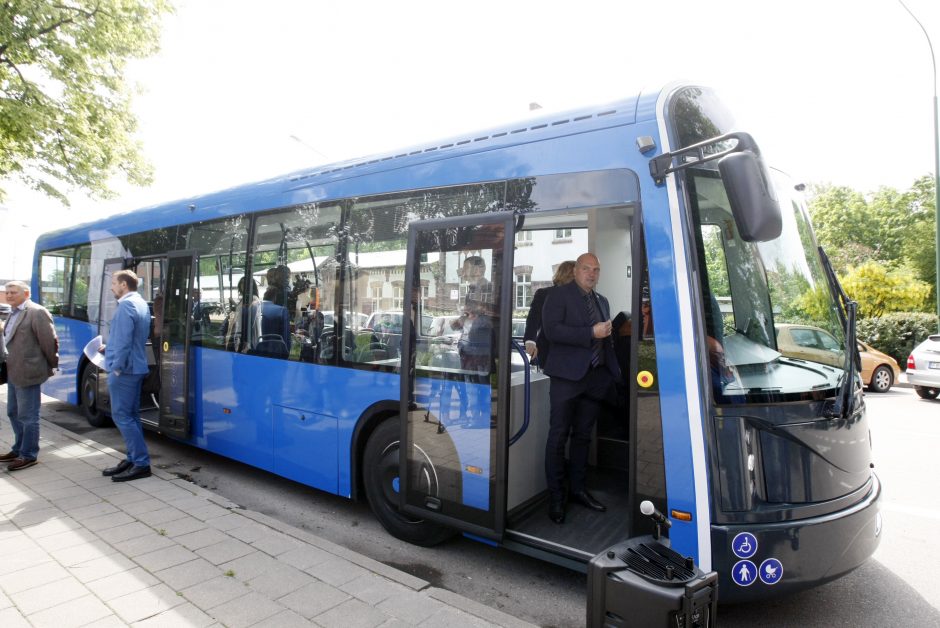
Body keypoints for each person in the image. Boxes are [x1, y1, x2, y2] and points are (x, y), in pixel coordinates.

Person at [541, 253, 621, 524]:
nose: (592, 274)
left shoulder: (602, 301)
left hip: (596, 378)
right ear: (575, 270)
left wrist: (613, 372)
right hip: (566, 378)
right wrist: (591, 333)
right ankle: (556, 498)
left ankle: (578, 490)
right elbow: (552, 332)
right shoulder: (559, 296)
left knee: (583, 437)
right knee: (558, 436)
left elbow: (605, 338)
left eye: (596, 269)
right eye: (586, 268)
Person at [98, 270, 153, 482]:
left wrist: (115, 367)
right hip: (136, 366)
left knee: (121, 416)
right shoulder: (140, 303)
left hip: (125, 370)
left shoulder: (126, 305)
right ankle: (132, 458)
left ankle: (140, 462)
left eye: (113, 283)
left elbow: (123, 342)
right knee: (131, 416)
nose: (112, 287)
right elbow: (128, 338)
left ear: (123, 284)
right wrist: (108, 347)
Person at [1, 281, 59, 471]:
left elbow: (49, 342)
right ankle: (18, 449)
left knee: (28, 416)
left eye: (13, 292)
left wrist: (51, 364)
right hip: (13, 370)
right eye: (7, 292)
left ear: (26, 293)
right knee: (13, 412)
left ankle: (29, 454)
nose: (9, 295)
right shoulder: (13, 312)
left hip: (29, 371)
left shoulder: (36, 312)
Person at [523, 260, 576, 367]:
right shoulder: (544, 294)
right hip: (549, 353)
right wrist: (530, 341)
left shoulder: (583, 296)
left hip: (575, 357)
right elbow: (534, 319)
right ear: (569, 274)